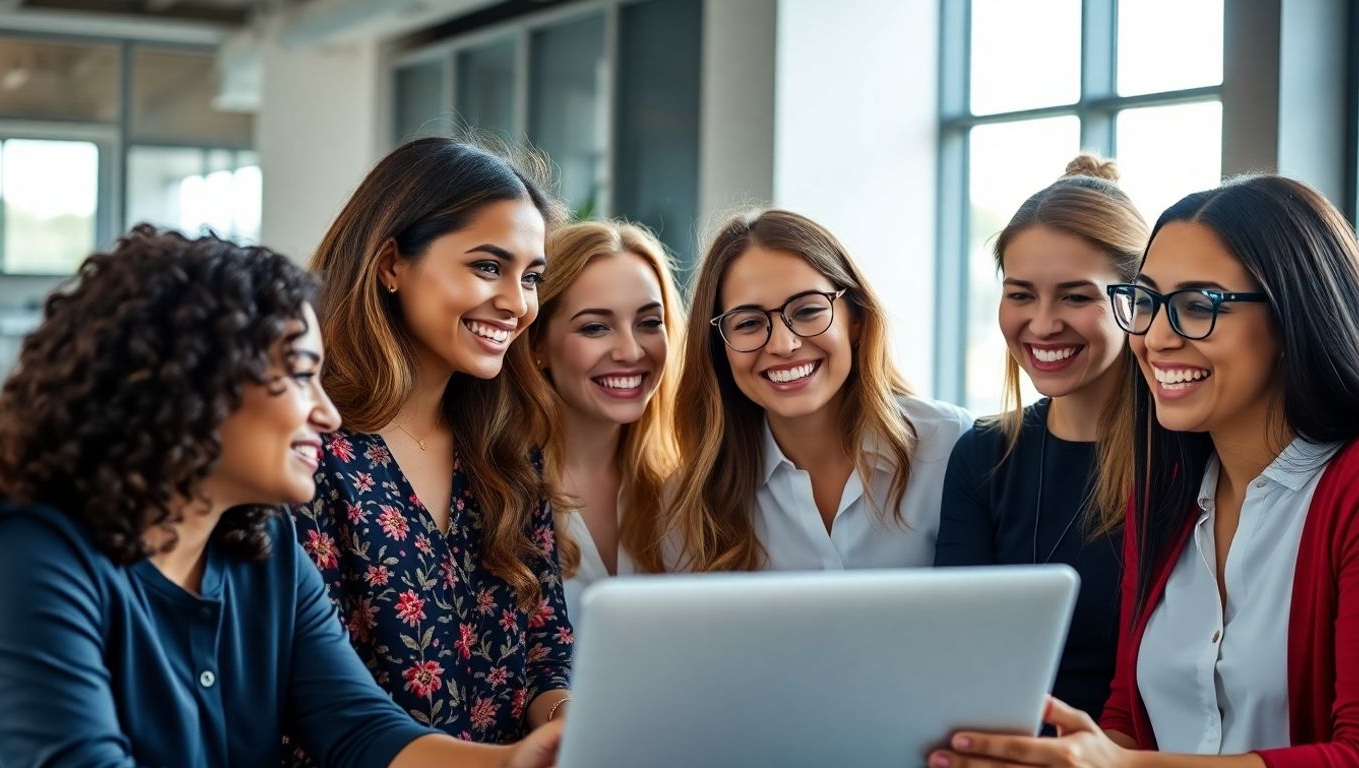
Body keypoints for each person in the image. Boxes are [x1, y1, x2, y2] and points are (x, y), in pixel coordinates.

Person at [0, 226, 562, 767]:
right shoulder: (34, 557)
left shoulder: (264, 549)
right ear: (191, 380)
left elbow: (361, 730)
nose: (327, 412)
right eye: (298, 373)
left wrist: (517, 759)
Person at [932, 175, 1359, 767]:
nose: (1156, 337)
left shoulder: (1345, 492)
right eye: (1150, 304)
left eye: (1197, 306)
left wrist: (1121, 765)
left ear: (1294, 315)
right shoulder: (1169, 491)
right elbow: (1127, 719)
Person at [290, 137, 573, 747]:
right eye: (488, 266)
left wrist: (564, 720)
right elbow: (314, 695)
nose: (517, 303)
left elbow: (547, 647)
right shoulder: (311, 445)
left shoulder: (507, 449)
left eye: (532, 278)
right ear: (392, 264)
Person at [935, 154, 1147, 720]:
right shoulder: (983, 456)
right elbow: (959, 651)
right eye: (1021, 294)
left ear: (1136, 302)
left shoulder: (1187, 455)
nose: (1044, 323)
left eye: (1077, 297)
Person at [664, 209, 972, 572]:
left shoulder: (951, 445)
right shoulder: (690, 503)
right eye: (748, 322)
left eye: (808, 310)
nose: (783, 344)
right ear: (720, 348)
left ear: (855, 321)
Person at [528, 220, 685, 621]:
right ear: (537, 344)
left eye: (650, 323)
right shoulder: (492, 494)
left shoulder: (684, 494)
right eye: (595, 327)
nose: (631, 352)